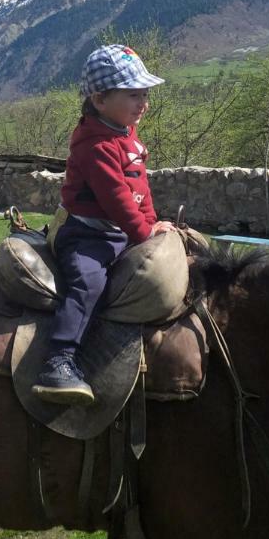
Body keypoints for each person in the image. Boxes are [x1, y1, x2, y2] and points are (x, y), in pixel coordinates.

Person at [31, 44, 175, 406]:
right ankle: (59, 359)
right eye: (133, 95)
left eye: (144, 94)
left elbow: (140, 189)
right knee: (89, 284)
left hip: (115, 231)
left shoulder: (126, 133)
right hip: (85, 235)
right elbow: (116, 198)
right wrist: (143, 235)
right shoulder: (95, 144)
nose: (143, 103)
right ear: (99, 99)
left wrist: (153, 225)